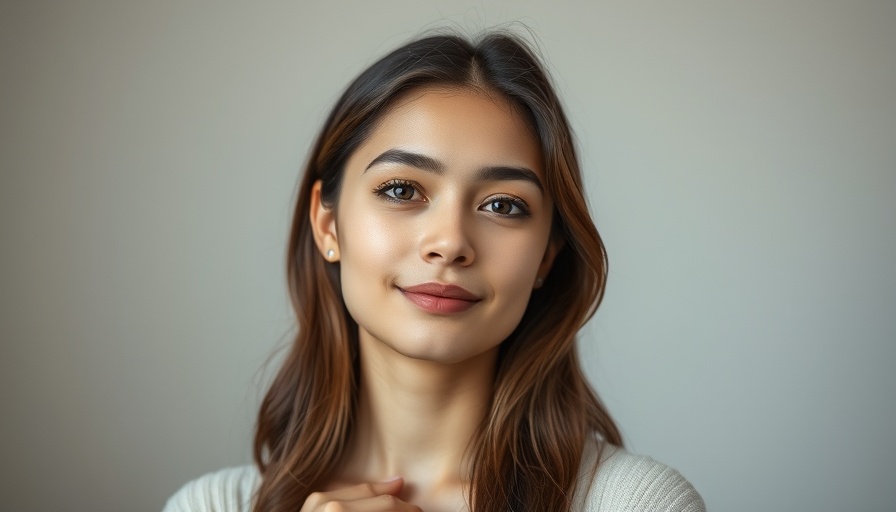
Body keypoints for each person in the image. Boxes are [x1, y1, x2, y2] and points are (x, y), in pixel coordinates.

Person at [163, 29, 705, 512]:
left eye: (503, 205)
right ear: (328, 226)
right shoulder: (209, 506)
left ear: (547, 255)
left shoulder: (637, 504)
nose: (450, 243)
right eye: (401, 190)